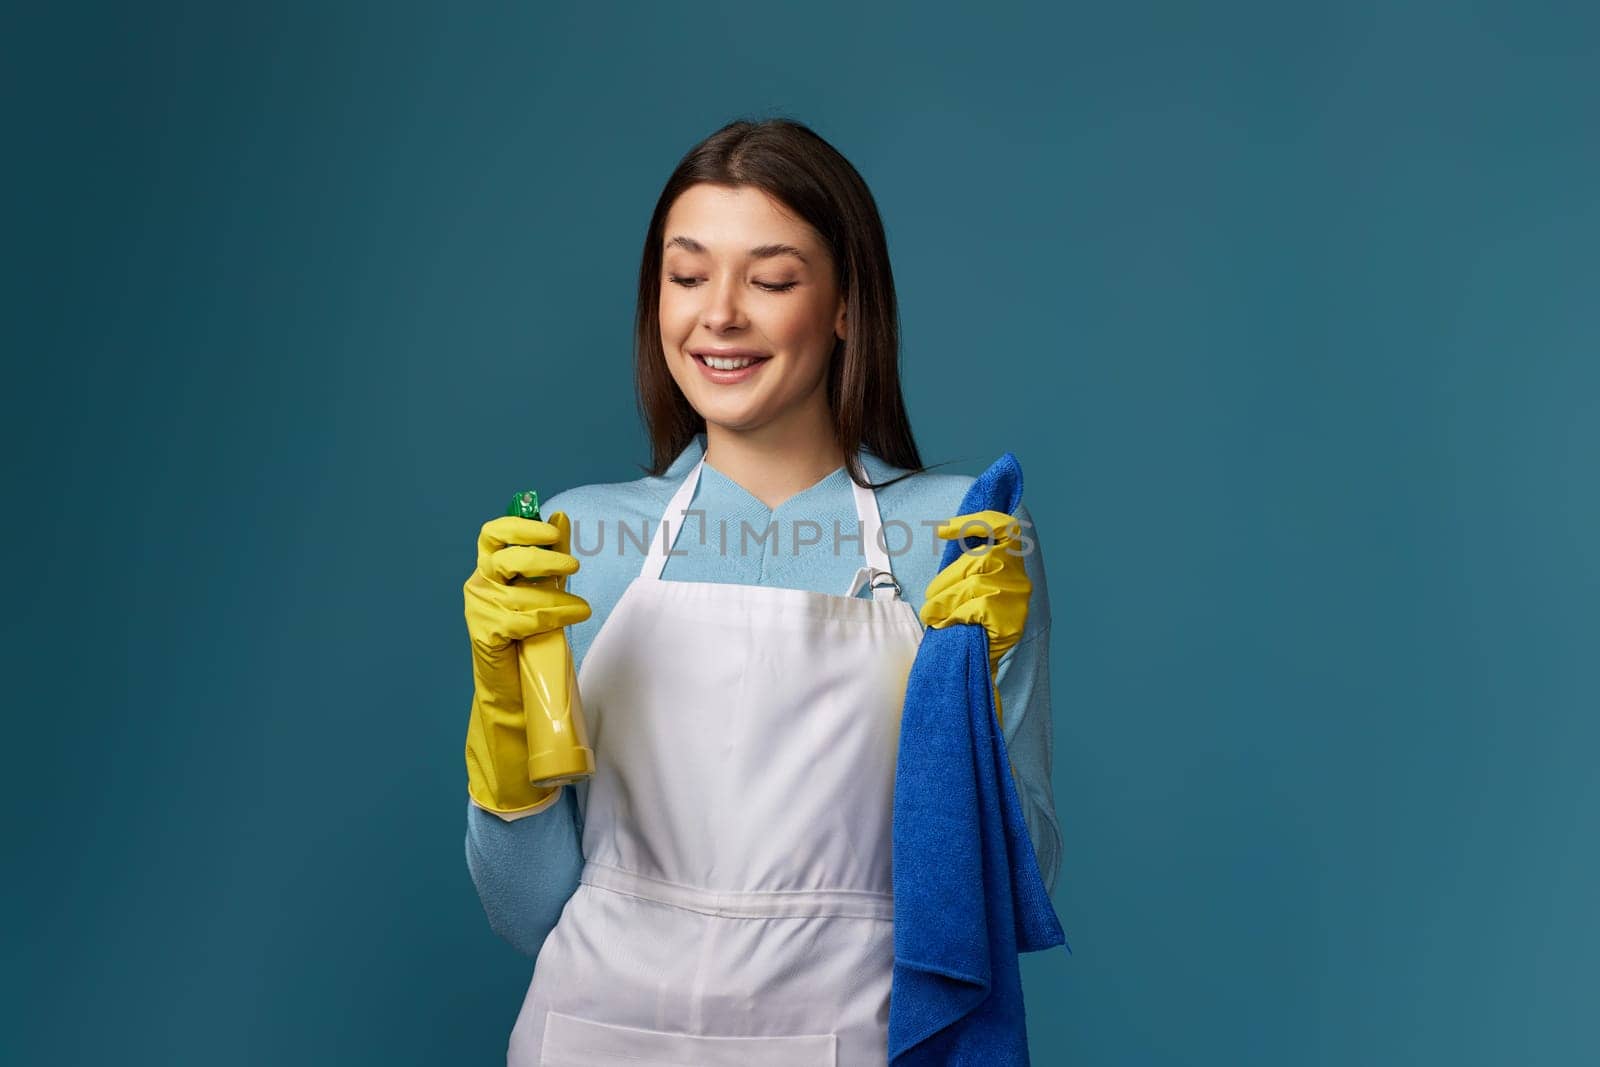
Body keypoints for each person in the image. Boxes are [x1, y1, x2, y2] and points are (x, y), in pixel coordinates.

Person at [461, 118, 1061, 1066]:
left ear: (846, 307)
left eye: (772, 280)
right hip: (594, 1032)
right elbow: (526, 908)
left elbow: (1016, 882)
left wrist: (980, 695)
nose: (720, 316)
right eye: (687, 276)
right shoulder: (579, 543)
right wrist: (503, 727)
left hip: (843, 1034)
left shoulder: (956, 541)